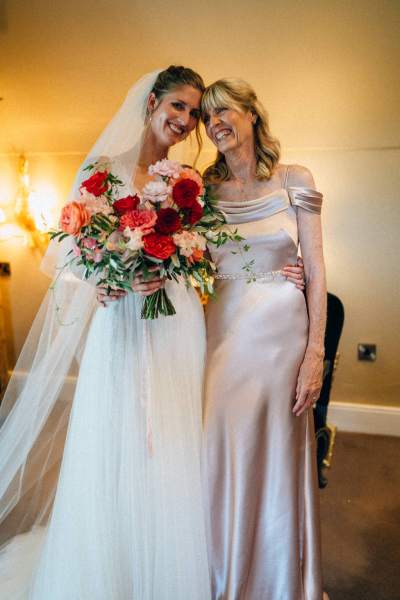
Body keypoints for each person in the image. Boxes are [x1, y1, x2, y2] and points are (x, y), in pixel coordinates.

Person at [0, 66, 212, 600]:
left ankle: (164, 561)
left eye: (193, 112)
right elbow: (70, 251)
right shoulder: (103, 170)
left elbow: (200, 254)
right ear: (152, 103)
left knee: (169, 441)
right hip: (119, 323)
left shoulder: (185, 182)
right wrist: (101, 282)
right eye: (178, 107)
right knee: (113, 438)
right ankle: (109, 569)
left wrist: (176, 264)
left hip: (172, 322)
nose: (185, 121)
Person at [201, 78, 327, 600]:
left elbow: (317, 271)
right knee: (218, 448)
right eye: (207, 117)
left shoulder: (295, 178)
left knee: (276, 451)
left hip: (281, 336)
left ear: (252, 114)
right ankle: (221, 578)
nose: (214, 123)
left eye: (223, 110)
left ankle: (277, 584)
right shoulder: (199, 190)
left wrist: (316, 352)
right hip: (222, 333)